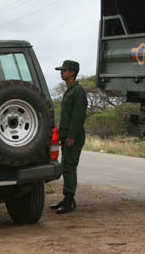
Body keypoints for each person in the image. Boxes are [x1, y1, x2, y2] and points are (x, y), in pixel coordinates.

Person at [50, 60, 88, 214]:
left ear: (72, 72)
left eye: (64, 70)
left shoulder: (77, 91)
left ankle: (68, 201)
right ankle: (68, 199)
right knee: (67, 166)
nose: (61, 72)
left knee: (69, 167)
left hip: (74, 136)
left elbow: (78, 116)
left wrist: (71, 136)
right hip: (66, 135)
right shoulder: (70, 90)